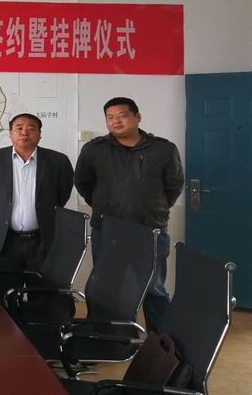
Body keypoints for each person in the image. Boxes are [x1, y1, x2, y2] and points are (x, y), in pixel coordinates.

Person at [74, 97, 184, 334]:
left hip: (150, 231)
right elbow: (83, 182)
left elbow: (174, 185)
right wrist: (104, 206)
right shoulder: (94, 150)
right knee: (107, 287)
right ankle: (111, 339)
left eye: (122, 116)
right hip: (108, 231)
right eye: (110, 117)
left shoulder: (163, 149)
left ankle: (160, 342)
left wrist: (152, 208)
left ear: (137, 117)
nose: (116, 121)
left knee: (154, 288)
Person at [0, 113, 74, 304]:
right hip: (7, 240)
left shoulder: (58, 160)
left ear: (40, 134)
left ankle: (37, 324)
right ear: (10, 133)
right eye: (19, 128)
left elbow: (62, 194)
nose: (25, 132)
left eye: (31, 128)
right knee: (7, 293)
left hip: (43, 239)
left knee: (42, 293)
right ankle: (9, 324)